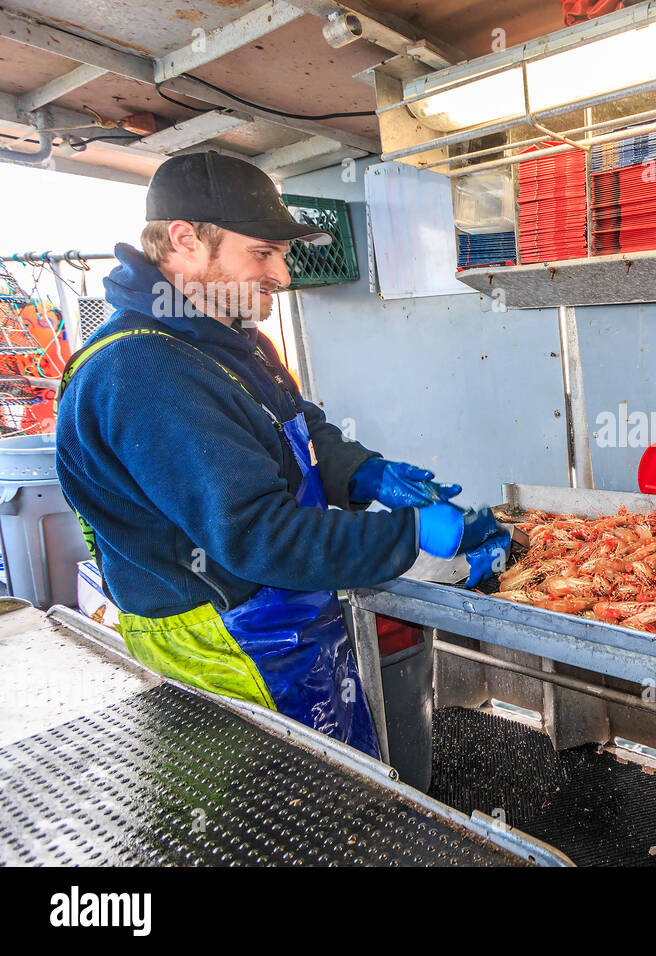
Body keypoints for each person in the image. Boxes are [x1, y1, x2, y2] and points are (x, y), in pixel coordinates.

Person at [55, 151, 509, 757]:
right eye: (263, 254)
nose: (284, 275)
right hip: (223, 649)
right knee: (273, 827)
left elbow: (301, 428)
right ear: (186, 240)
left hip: (291, 619)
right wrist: (410, 537)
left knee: (346, 801)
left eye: (283, 255)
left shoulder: (231, 340)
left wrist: (363, 473)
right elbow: (259, 537)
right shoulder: (143, 372)